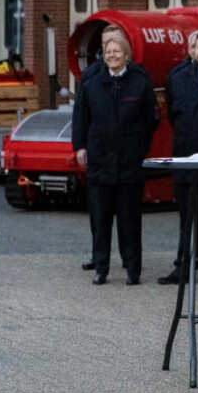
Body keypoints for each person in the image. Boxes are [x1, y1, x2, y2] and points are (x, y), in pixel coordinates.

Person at [72, 30, 159, 284]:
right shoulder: (91, 82)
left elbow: (151, 118)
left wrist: (139, 145)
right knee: (100, 219)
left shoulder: (140, 81)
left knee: (129, 219)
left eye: (117, 51)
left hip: (129, 161)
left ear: (126, 55)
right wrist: (80, 147)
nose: (112, 55)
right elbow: (80, 117)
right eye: (108, 52)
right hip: (99, 159)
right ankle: (101, 268)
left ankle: (133, 270)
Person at [157, 27, 198, 285]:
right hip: (187, 158)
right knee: (187, 219)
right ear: (193, 50)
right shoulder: (178, 77)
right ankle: (184, 266)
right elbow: (176, 115)